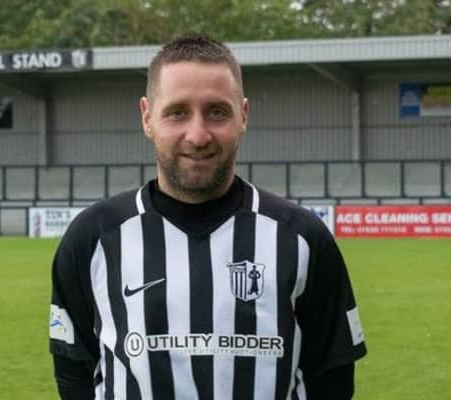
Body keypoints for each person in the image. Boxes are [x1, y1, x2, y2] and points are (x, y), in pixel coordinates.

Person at [50, 35, 367, 399]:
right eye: (177, 112)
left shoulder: (303, 239)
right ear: (147, 117)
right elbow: (74, 370)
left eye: (217, 112)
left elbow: (331, 378)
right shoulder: (93, 238)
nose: (198, 136)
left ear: (243, 115)